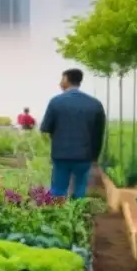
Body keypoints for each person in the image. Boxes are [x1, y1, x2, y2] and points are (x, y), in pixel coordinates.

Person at [39, 68, 106, 199]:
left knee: (58, 190)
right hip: (84, 156)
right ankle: (78, 215)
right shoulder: (95, 104)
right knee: (80, 190)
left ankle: (58, 216)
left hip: (61, 155)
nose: (60, 83)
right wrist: (94, 157)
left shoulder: (56, 102)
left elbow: (45, 128)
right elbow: (99, 134)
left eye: (61, 79)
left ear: (66, 80)